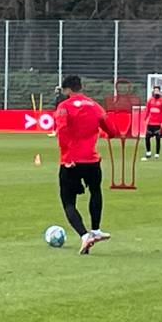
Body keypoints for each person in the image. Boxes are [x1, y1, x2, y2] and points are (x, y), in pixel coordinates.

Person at [54, 75, 118, 254]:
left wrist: (66, 157)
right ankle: (96, 229)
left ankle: (84, 235)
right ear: (80, 87)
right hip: (92, 160)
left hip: (71, 161)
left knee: (68, 202)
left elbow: (62, 131)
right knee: (95, 191)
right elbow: (112, 131)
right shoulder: (95, 106)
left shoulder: (64, 107)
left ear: (67, 90)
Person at [142, 85, 162, 159]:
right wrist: (145, 119)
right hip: (150, 123)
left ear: (159, 91)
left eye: (157, 90)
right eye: (155, 90)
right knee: (147, 137)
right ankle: (148, 152)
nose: (156, 92)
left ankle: (157, 154)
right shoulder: (150, 100)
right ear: (153, 91)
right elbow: (147, 110)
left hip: (158, 123)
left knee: (158, 139)